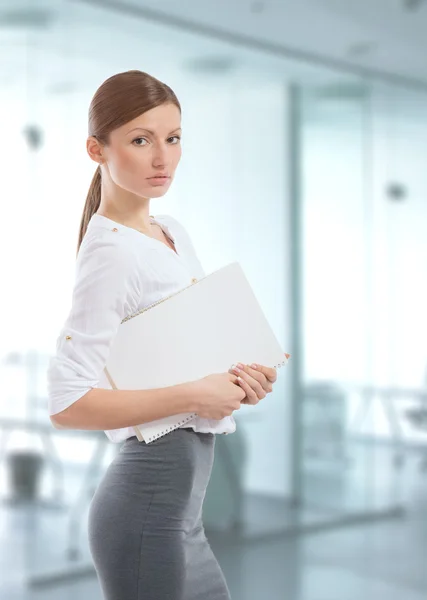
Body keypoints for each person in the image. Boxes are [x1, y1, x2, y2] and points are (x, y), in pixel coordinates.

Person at [47, 70, 279, 600]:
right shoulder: (108, 253)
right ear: (96, 149)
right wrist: (199, 394)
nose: (162, 159)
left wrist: (240, 380)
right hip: (144, 515)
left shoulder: (171, 231)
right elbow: (66, 402)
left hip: (180, 518)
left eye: (172, 139)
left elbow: (186, 355)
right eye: (140, 140)